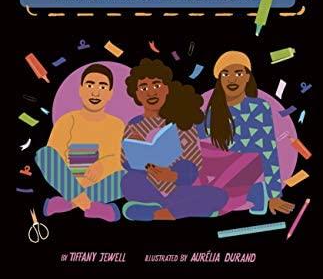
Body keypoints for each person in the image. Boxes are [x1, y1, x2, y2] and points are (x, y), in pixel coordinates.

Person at [121, 58, 228, 221]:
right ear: (136, 94)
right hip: (148, 186)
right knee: (129, 181)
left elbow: (194, 162)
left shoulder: (182, 120)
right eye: (143, 87)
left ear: (166, 89)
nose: (151, 92)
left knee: (219, 196)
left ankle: (157, 213)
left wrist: (174, 175)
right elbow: (125, 162)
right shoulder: (133, 125)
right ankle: (183, 210)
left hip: (177, 189)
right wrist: (133, 151)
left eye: (156, 85)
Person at [197, 51, 295, 215]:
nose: (232, 79)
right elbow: (198, 137)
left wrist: (275, 195)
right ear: (220, 80)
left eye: (238, 72)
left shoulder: (260, 107)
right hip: (222, 161)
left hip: (247, 163)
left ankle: (251, 193)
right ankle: (252, 193)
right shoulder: (214, 109)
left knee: (214, 200)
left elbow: (268, 150)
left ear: (248, 77)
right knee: (193, 156)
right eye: (225, 73)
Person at [35, 64, 126, 222]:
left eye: (103, 86)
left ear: (110, 93)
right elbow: (54, 154)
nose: (95, 92)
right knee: (44, 154)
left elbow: (119, 159)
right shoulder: (67, 121)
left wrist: (102, 166)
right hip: (68, 181)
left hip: (102, 184)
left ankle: (69, 203)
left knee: (129, 176)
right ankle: (91, 206)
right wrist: (74, 180)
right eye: (90, 85)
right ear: (81, 89)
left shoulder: (117, 125)